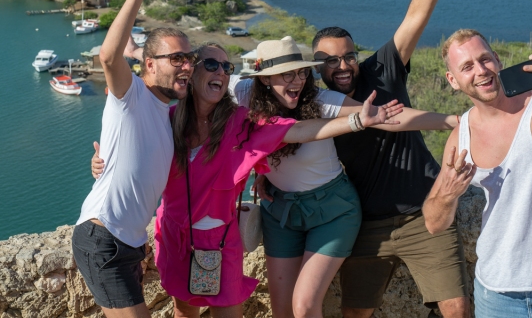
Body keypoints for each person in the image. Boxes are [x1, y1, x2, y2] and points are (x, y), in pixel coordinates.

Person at [254, 0, 473, 318]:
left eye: (349, 56)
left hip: (422, 214)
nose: (342, 65)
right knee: (356, 314)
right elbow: (271, 137)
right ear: (313, 67)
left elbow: (416, 16)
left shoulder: (382, 70)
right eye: (329, 60)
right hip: (363, 225)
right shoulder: (309, 101)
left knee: (457, 308)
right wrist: (259, 174)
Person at [155, 43, 404, 318]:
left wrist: (357, 121)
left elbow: (297, 130)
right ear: (192, 71)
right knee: (184, 312)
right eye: (212, 65)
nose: (222, 72)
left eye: (227, 67)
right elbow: (135, 154)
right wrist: (101, 162)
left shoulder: (240, 122)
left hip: (221, 240)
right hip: (176, 236)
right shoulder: (166, 121)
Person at [231, 37, 457, 318]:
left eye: (302, 72)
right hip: (281, 211)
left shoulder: (323, 101)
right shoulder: (244, 93)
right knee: (282, 310)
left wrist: (455, 121)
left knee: (303, 305)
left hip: (332, 210)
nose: (298, 81)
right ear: (265, 79)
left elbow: (388, 117)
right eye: (287, 74)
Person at [422, 29, 532, 317]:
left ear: (497, 59)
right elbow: (434, 223)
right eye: (467, 66)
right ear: (453, 80)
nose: (481, 71)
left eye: (485, 59)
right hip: (496, 291)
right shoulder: (461, 137)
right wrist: (447, 194)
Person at [71, 0, 196, 318]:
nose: (187, 66)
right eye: (177, 59)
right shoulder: (131, 97)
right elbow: (109, 55)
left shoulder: (169, 114)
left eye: (189, 58)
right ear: (149, 65)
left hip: (129, 243)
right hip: (102, 236)